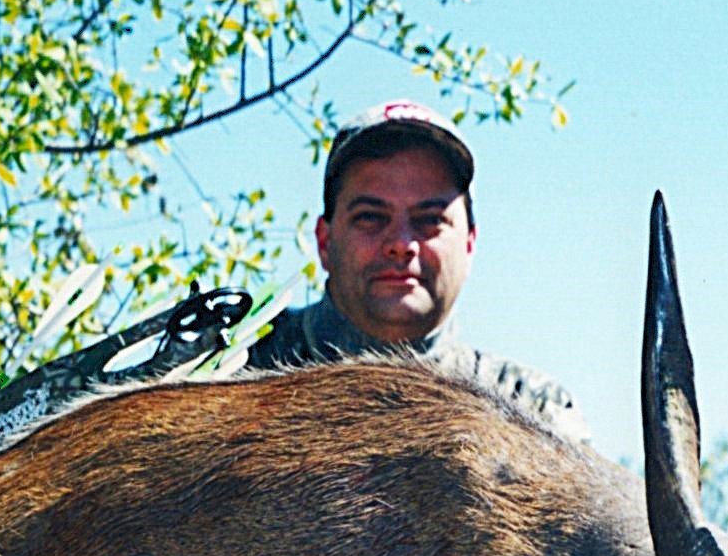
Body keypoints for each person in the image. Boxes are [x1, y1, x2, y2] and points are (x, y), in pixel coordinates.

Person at [247, 100, 588, 440]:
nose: (400, 243)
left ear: (469, 244)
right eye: (370, 217)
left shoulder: (536, 414)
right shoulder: (231, 370)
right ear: (324, 242)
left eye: (430, 221)